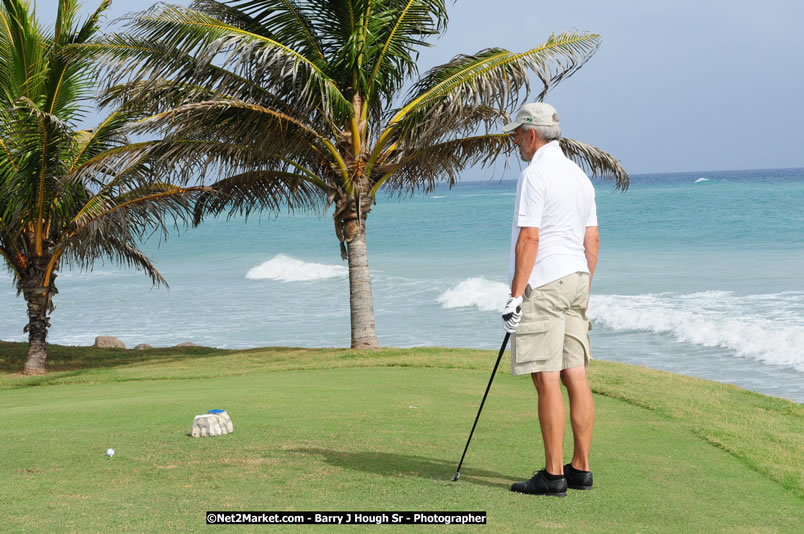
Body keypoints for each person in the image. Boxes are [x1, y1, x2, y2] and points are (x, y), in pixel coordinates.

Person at [500, 102, 599, 497]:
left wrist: (513, 297)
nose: (513, 142)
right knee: (575, 373)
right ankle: (581, 469)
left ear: (531, 133)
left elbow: (530, 237)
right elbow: (591, 240)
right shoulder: (580, 176)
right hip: (577, 279)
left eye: (515, 134)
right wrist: (584, 289)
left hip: (546, 281)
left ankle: (554, 474)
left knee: (546, 378)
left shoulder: (535, 174)